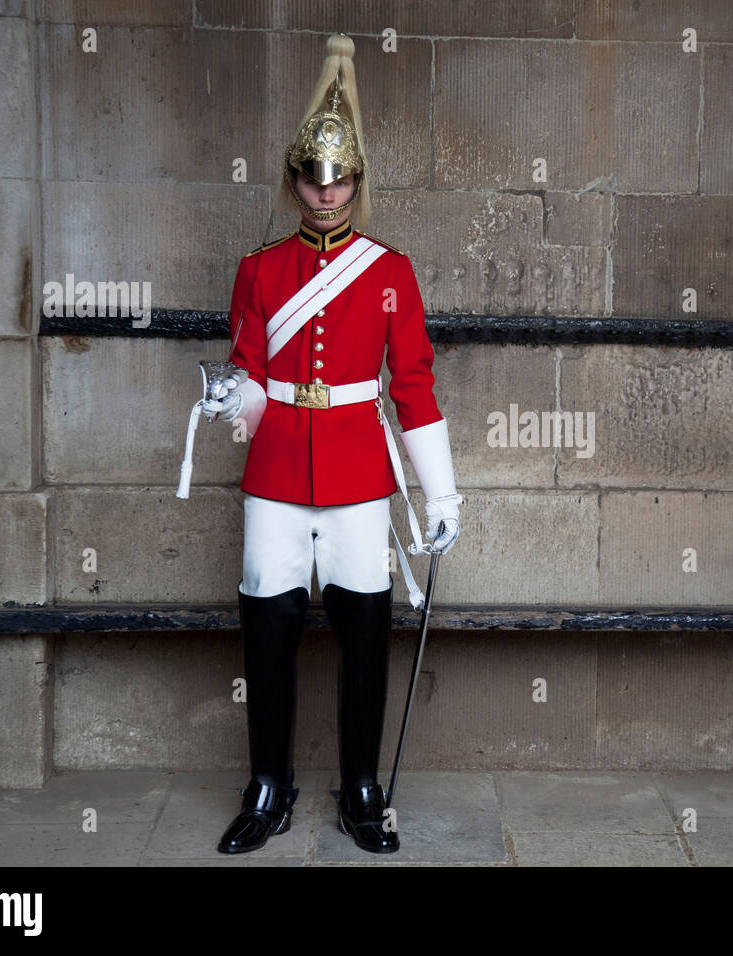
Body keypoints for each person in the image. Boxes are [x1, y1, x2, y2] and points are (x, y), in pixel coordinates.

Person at [203, 33, 462, 855]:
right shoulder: (259, 268)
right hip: (276, 470)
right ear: (293, 182)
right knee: (268, 630)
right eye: (313, 178)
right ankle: (269, 786)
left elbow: (412, 389)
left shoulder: (392, 271)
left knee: (361, 631)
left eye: (340, 177)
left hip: (357, 474)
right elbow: (250, 364)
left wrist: (441, 495)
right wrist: (229, 396)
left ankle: (358, 789)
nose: (326, 191)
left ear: (358, 180)